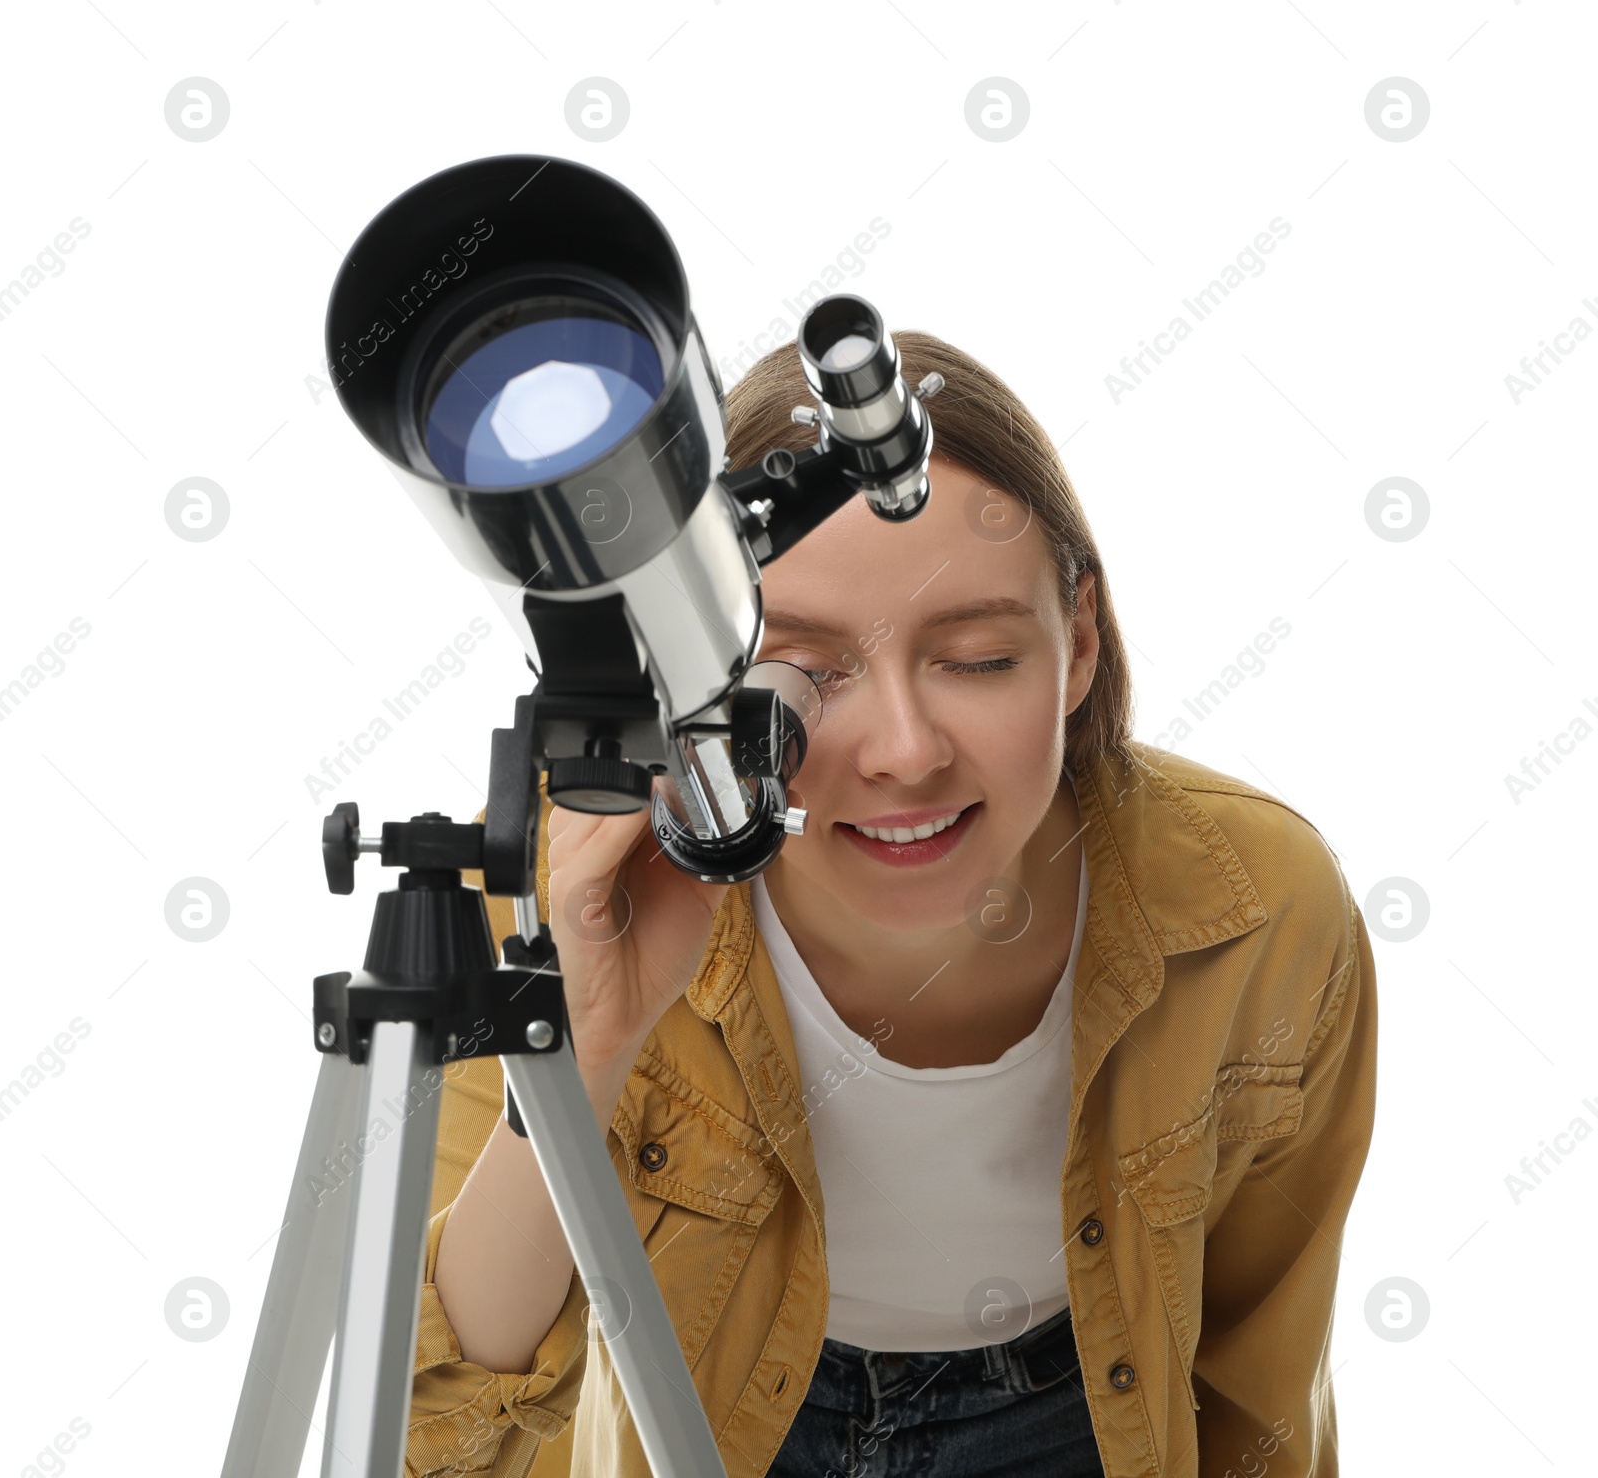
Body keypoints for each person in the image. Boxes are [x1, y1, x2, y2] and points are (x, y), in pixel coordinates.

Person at [405, 332, 1379, 1478]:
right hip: (712, 1420)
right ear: (687, 677)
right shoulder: (566, 876)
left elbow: (1261, 1398)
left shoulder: (1261, 909)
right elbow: (446, 1437)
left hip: (1084, 1408)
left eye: (974, 658)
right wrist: (587, 1047)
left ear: (1076, 643)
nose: (905, 751)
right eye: (802, 672)